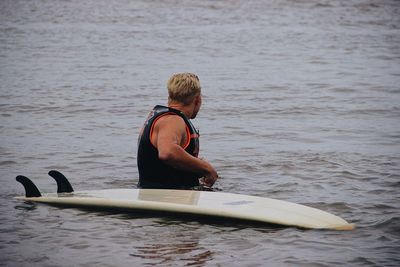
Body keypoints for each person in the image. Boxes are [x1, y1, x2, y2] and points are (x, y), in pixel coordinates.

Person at [137, 73, 219, 189]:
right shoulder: (172, 120)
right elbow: (167, 152)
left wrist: (195, 164)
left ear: (170, 97)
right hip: (165, 197)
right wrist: (206, 168)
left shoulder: (158, 116)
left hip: (154, 193)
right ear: (197, 100)